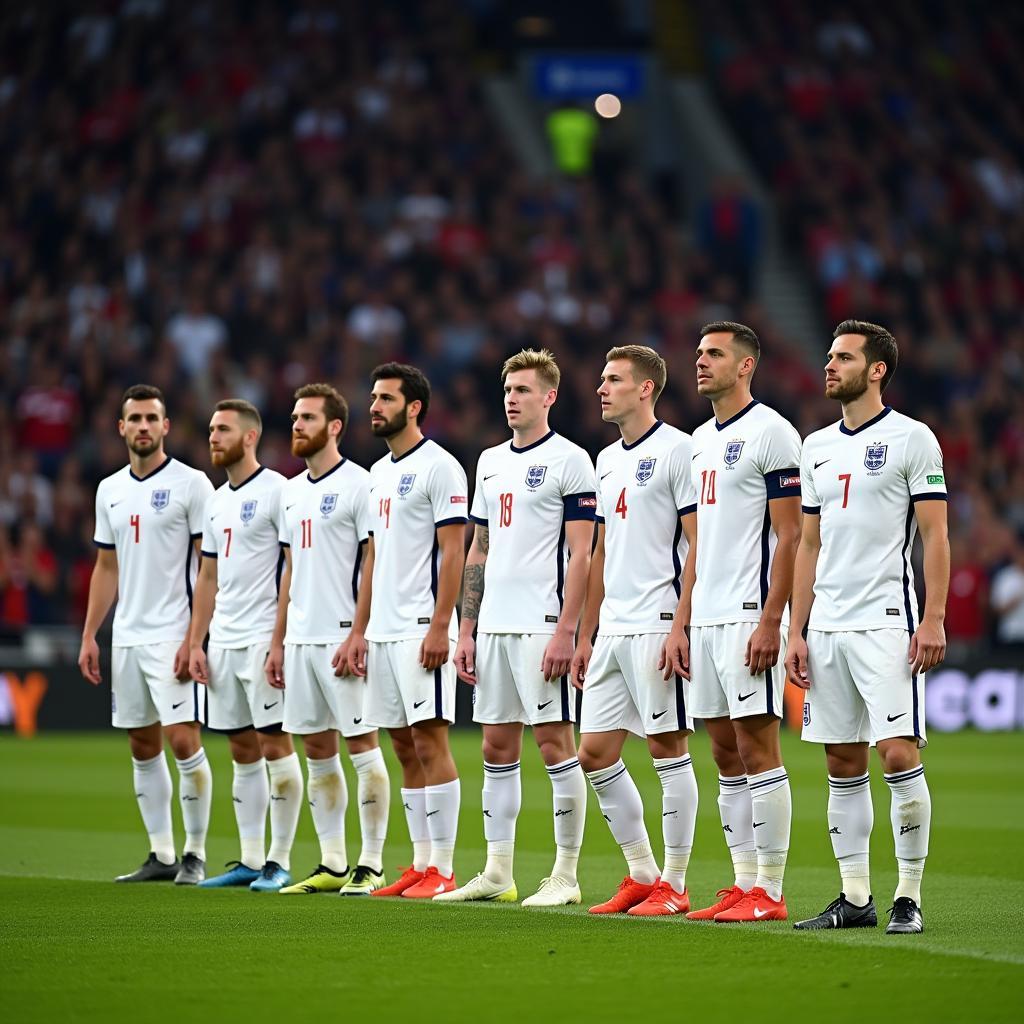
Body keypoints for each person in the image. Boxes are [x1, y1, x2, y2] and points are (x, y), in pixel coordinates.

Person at [787, 320, 949, 935]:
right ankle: (855, 897)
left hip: (887, 619)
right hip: (826, 624)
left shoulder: (913, 439)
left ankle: (908, 894)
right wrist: (797, 630)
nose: (830, 366)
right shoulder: (817, 445)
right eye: (829, 356)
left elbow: (935, 534)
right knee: (840, 758)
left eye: (844, 357)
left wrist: (932, 618)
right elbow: (807, 544)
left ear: (876, 369)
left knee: (897, 752)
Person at [440, 349, 595, 907]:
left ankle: (566, 876)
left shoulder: (571, 460)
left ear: (549, 396)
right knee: (495, 746)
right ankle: (498, 871)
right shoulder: (489, 461)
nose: (512, 398)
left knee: (555, 742)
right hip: (495, 626)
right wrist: (466, 628)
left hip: (542, 623)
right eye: (508, 390)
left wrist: (567, 631)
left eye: (524, 390)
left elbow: (582, 554)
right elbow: (478, 549)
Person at [678, 321, 802, 923]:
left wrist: (771, 620)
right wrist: (683, 619)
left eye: (715, 354)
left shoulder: (773, 433)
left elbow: (792, 535)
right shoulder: (698, 439)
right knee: (725, 751)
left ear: (746, 365)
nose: (701, 362)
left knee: (758, 746)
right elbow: (697, 544)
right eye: (699, 353)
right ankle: (741, 882)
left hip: (750, 614)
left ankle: (771, 892)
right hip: (706, 616)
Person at [571, 345, 700, 916]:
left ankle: (675, 883)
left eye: (614, 379)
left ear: (645, 388)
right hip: (614, 628)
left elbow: (699, 545)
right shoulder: (605, 459)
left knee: (668, 749)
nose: (601, 387)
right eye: (602, 378)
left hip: (656, 621)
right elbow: (601, 551)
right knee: (594, 752)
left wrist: (680, 624)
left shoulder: (679, 451)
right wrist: (585, 632)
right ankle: (642, 872)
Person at [78, 384, 214, 884]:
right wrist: (92, 634)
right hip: (128, 635)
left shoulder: (192, 484)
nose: (141, 426)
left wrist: (195, 637)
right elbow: (106, 566)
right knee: (141, 742)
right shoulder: (109, 489)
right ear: (120, 428)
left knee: (183, 739)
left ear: (165, 427)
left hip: (174, 634)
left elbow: (208, 568)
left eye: (150, 418)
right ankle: (161, 854)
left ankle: (195, 853)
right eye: (133, 418)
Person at [341, 363, 467, 899]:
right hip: (385, 629)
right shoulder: (377, 473)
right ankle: (418, 863)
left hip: (421, 626)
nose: (374, 406)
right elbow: (372, 558)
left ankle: (443, 867)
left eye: (385, 398)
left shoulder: (440, 467)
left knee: (431, 740)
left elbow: (455, 550)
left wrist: (441, 625)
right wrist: (358, 629)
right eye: (373, 397)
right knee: (402, 744)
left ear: (414, 407)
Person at [264, 384, 391, 895]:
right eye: (294, 417)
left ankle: (373, 862)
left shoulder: (361, 484)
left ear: (334, 426)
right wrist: (278, 641)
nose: (296, 425)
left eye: (308, 418)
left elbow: (373, 560)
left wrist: (359, 632)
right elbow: (289, 570)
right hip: (301, 639)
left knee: (362, 746)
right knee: (316, 747)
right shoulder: (289, 492)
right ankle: (333, 862)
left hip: (343, 637)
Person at [188, 400, 303, 892]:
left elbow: (292, 566)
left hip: (261, 637)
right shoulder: (215, 500)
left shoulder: (278, 491)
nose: (213, 437)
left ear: (250, 436)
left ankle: (280, 860)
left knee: (275, 743)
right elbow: (207, 575)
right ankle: (250, 860)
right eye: (212, 429)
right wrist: (197, 640)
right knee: (240, 748)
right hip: (224, 640)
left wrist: (278, 640)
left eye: (224, 430)